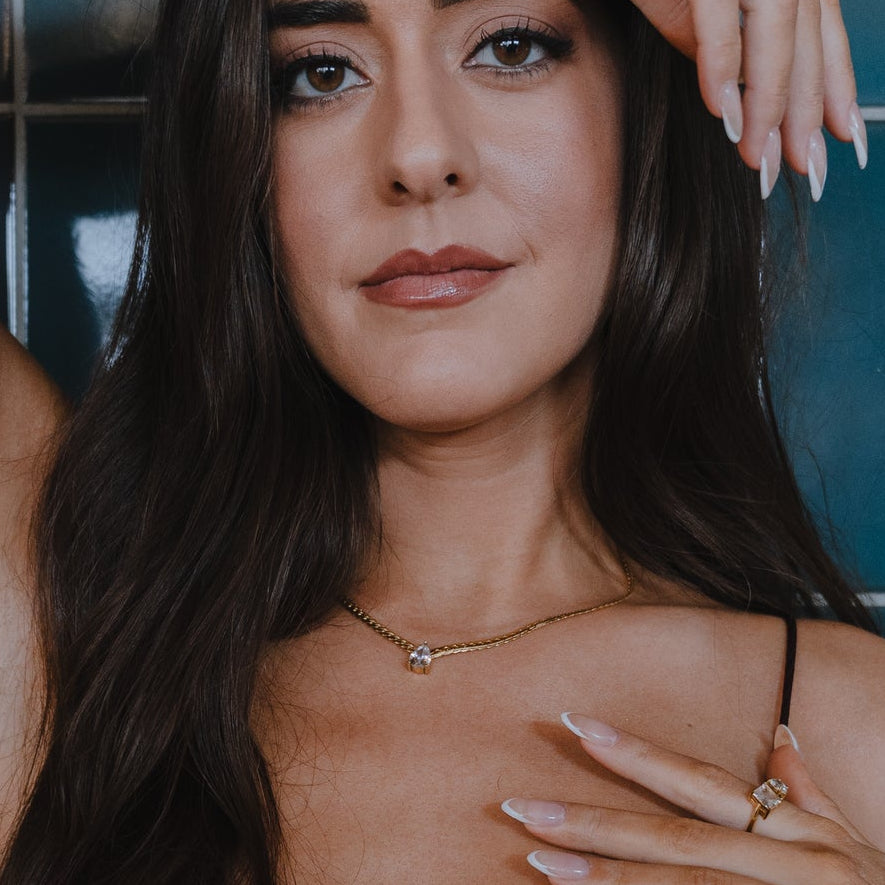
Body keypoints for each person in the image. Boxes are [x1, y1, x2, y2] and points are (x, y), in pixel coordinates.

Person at [1, 0, 883, 882]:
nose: (418, 158)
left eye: (510, 47)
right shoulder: (74, 620)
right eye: (319, 73)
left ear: (640, 110)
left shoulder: (851, 725)